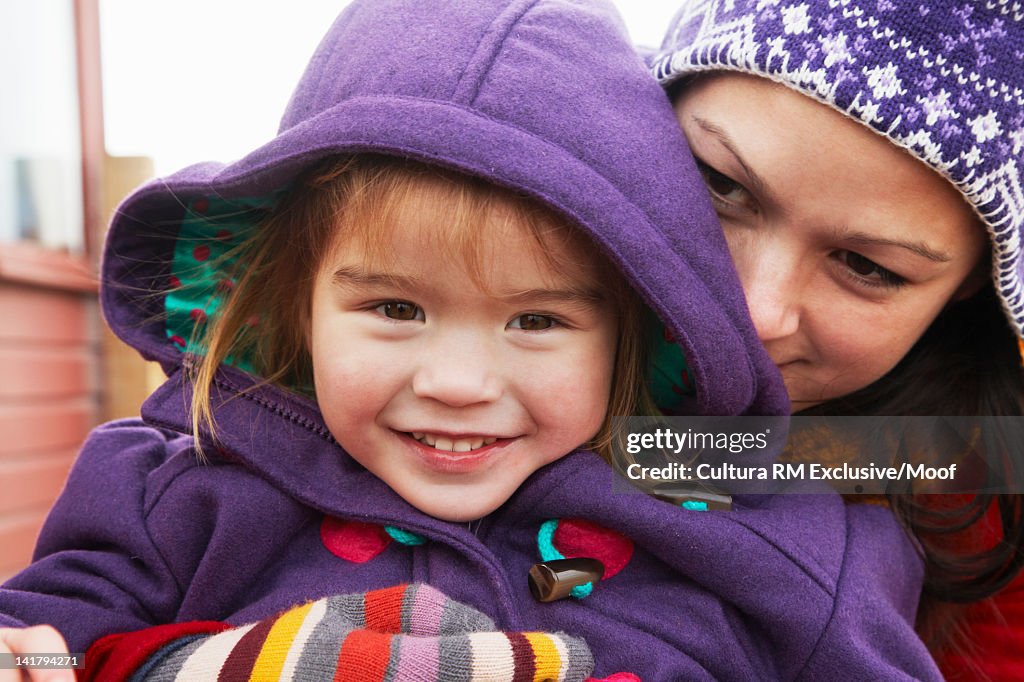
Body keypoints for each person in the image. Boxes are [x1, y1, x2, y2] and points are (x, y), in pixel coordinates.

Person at [0, 0, 946, 679]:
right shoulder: (172, 482)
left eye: (537, 321)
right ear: (292, 298)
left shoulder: (783, 508)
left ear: (638, 330)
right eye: (396, 310)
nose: (456, 382)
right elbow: (45, 636)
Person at [652, 0, 1024, 676]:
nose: (756, 312)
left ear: (974, 284)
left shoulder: (979, 505)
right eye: (721, 185)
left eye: (866, 266)